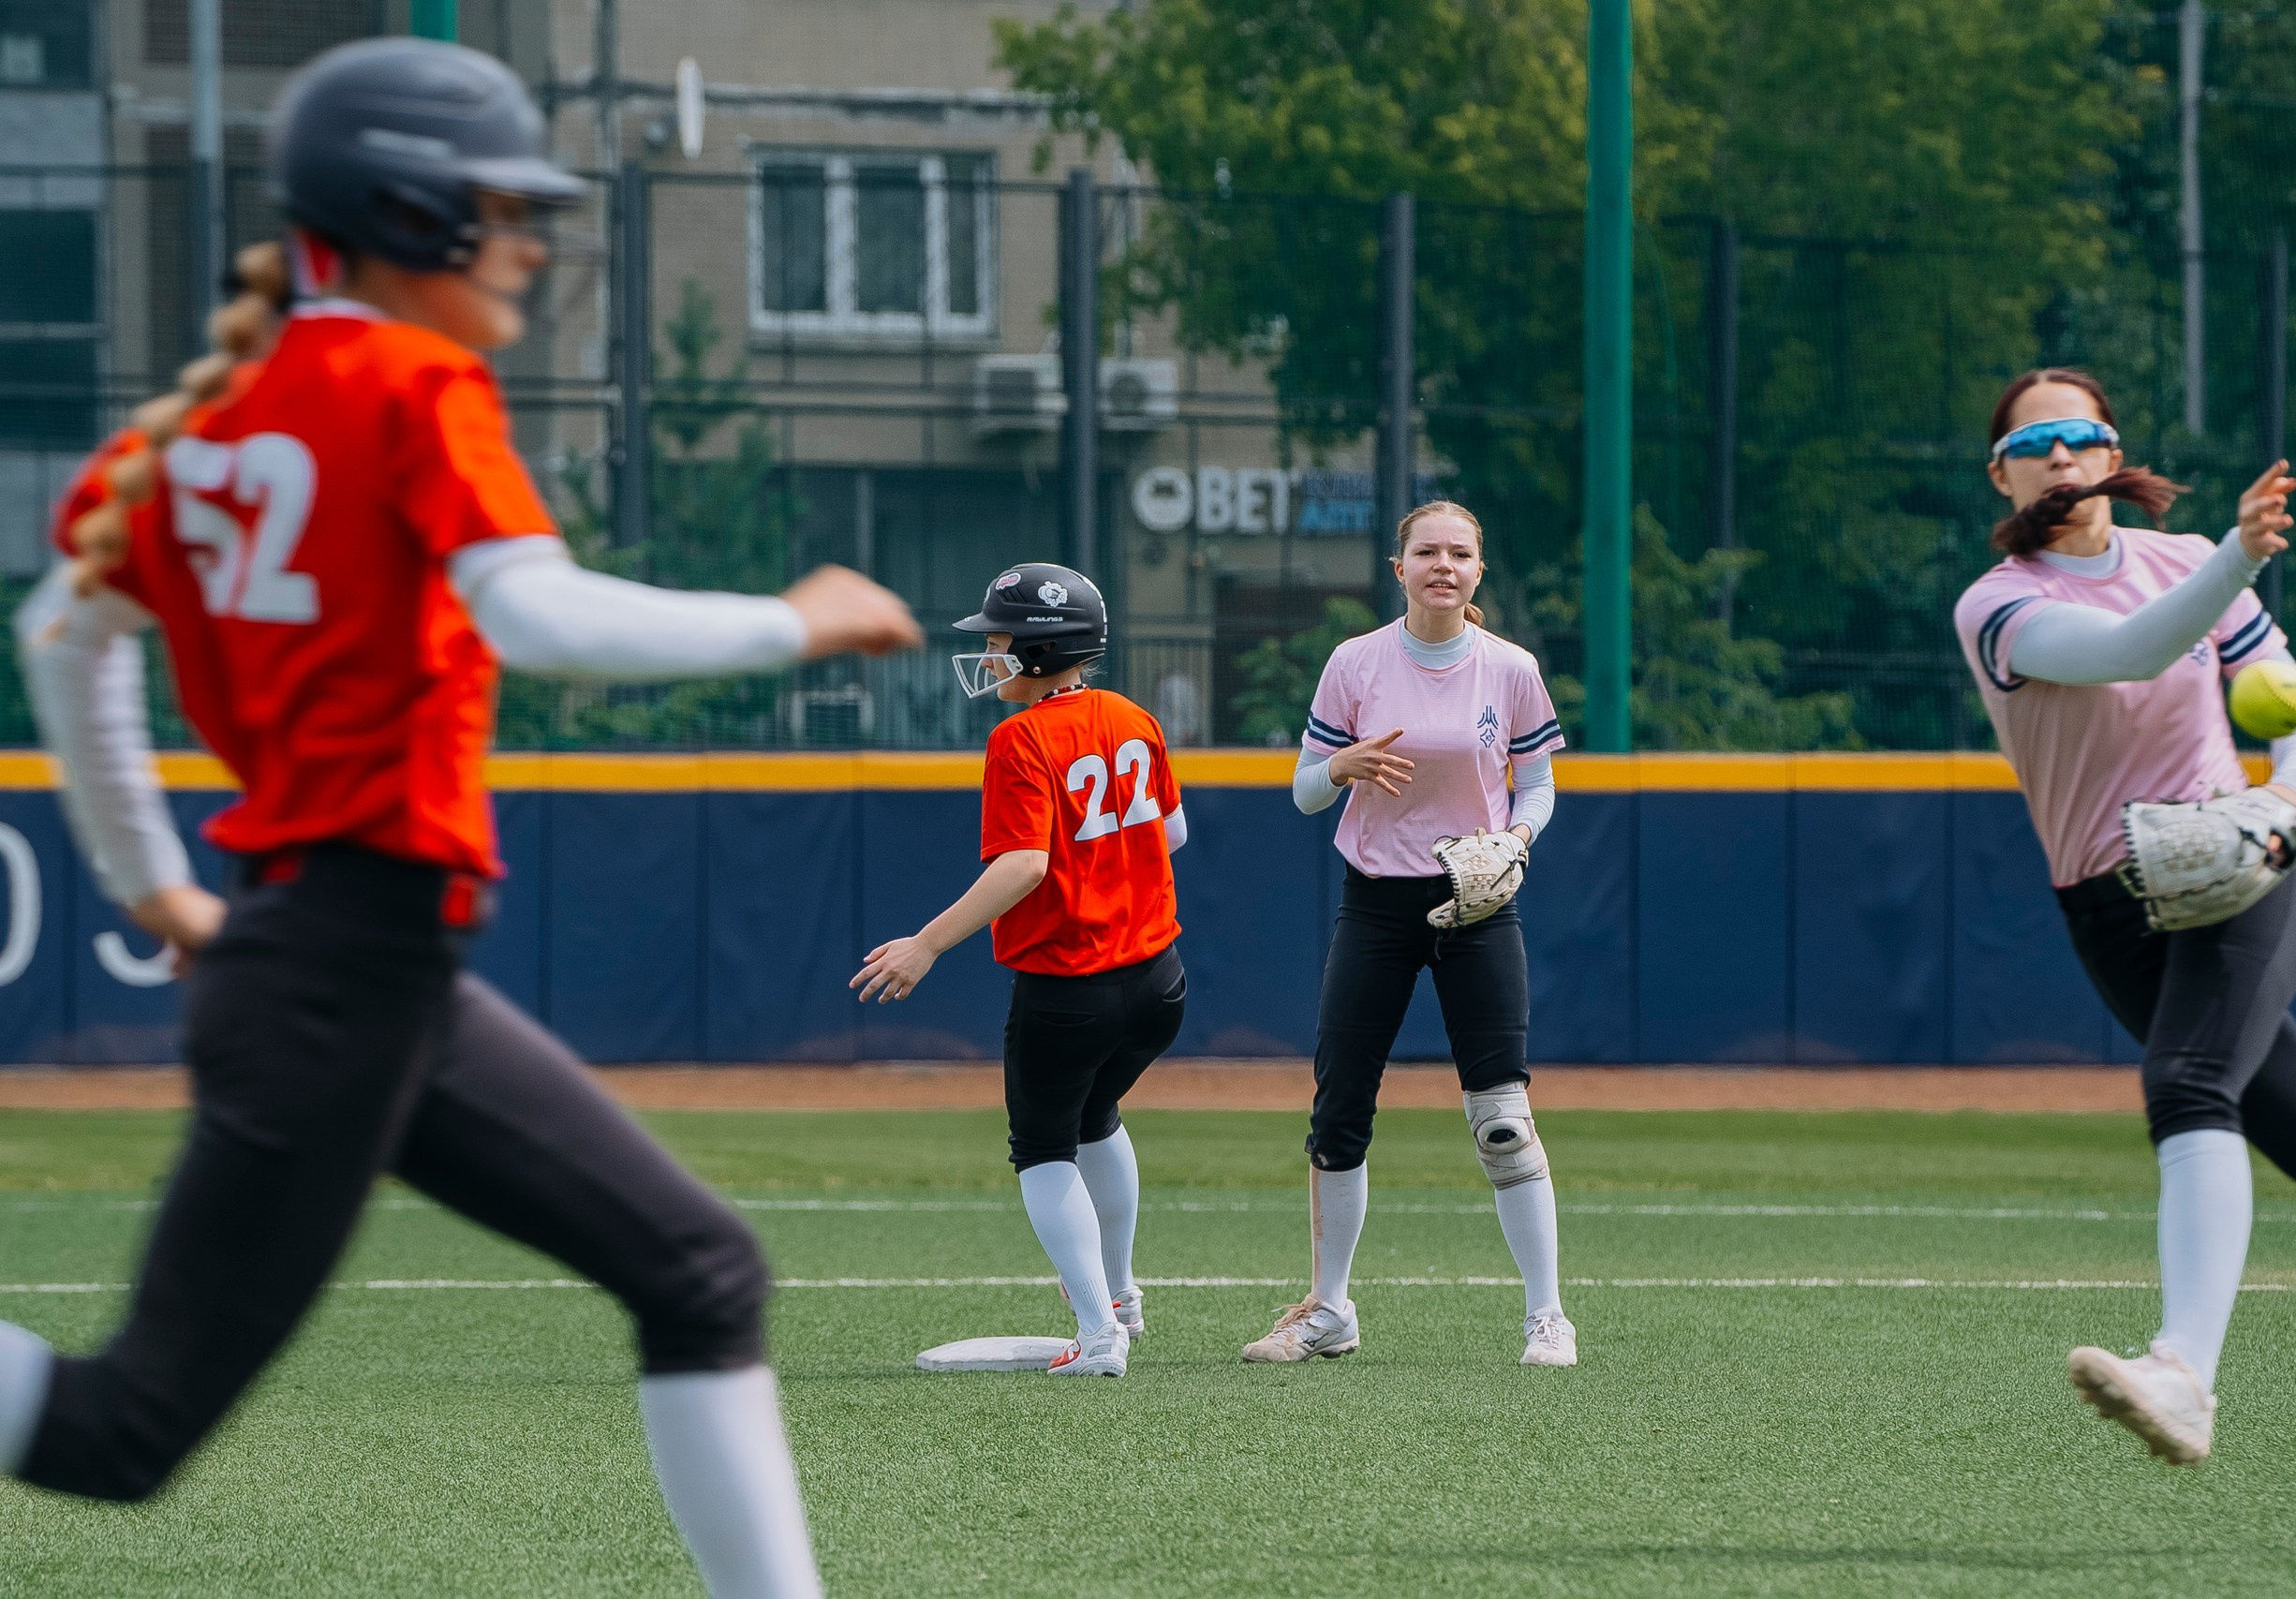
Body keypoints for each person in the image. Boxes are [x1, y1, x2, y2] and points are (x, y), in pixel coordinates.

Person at [0, 39, 921, 1599]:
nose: (527, 241)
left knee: (700, 1272)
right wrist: (792, 620)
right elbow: (540, 616)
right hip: (341, 970)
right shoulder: (413, 379)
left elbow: (58, 636)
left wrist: (157, 887)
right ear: (406, 211)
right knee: (120, 1427)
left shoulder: (198, 427)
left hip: (351, 969)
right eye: (501, 208)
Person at [1953, 367, 2296, 1466]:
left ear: (2110, 455)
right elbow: (2125, 654)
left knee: (2188, 1087)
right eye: (2035, 440)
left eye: (2081, 434)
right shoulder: (2000, 602)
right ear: (2000, 472)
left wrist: (2285, 804)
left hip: (2241, 870)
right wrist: (2234, 557)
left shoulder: (2194, 564)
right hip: (2109, 905)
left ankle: (2183, 1373)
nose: (2060, 454)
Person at [1239, 501, 1574, 1369]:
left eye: (1460, 552)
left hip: (1478, 903)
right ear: (1399, 568)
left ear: (1478, 569)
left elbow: (1536, 785)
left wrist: (1518, 837)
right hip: (1378, 903)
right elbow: (1306, 791)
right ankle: (1330, 1310)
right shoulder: (1356, 661)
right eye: (1427, 551)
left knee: (1501, 1116)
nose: (1443, 565)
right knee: (1340, 1108)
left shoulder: (1510, 667)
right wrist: (1336, 767)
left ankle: (1548, 1317)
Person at [851, 564, 1187, 1378]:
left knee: (1042, 1150)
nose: (991, 654)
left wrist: (927, 942)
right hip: (1159, 978)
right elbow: (1169, 834)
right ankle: (1124, 1299)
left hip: (1071, 986)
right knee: (1096, 1117)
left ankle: (1100, 1335)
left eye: (1000, 641)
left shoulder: (1020, 737)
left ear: (1041, 648)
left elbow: (1024, 866)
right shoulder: (1131, 713)